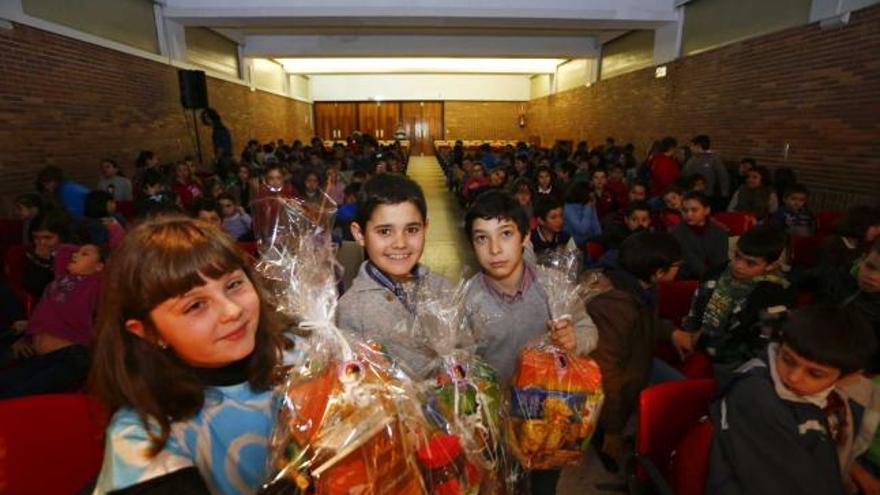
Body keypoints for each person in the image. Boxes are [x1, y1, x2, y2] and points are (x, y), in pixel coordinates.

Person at [89, 217, 291, 494]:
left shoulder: (295, 358)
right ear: (148, 332)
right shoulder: (145, 435)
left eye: (233, 285)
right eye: (195, 305)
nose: (232, 311)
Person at [461, 190, 597, 495]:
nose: (495, 249)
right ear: (472, 245)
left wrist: (575, 339)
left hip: (552, 416)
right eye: (482, 238)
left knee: (543, 486)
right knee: (500, 485)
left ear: (525, 237)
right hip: (495, 425)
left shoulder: (553, 284)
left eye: (506, 234)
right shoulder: (465, 301)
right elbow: (464, 366)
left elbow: (589, 329)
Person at [707, 305, 875, 495]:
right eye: (787, 359)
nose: (793, 378)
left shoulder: (839, 399)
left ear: (847, 378)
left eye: (815, 373)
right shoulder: (757, 397)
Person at [588, 232, 691, 471]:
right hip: (619, 377)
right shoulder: (616, 304)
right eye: (677, 267)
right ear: (658, 272)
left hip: (638, 359)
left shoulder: (638, 285)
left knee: (682, 390)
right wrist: (613, 429)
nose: (680, 271)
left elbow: (645, 320)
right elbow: (606, 373)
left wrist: (671, 333)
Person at [337, 173, 451, 379]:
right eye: (385, 232)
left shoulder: (445, 289)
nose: (400, 243)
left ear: (426, 228)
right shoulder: (351, 309)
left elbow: (465, 356)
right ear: (359, 234)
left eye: (412, 229)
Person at [681, 225, 794, 384]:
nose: (738, 265)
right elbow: (696, 309)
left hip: (736, 363)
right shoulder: (716, 273)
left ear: (770, 266)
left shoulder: (776, 295)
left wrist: (706, 344)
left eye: (750, 263)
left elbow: (761, 345)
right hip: (696, 345)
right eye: (737, 256)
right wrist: (690, 333)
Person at [0, 243, 106, 398]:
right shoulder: (60, 278)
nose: (74, 255)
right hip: (37, 355)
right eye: (77, 252)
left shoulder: (97, 285)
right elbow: (63, 249)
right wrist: (27, 337)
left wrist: (110, 230)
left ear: (99, 267)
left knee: (13, 397)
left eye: (84, 254)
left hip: (70, 357)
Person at [671, 192, 729, 280]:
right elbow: (691, 262)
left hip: (715, 277)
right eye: (685, 210)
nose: (689, 214)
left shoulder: (720, 232)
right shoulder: (676, 233)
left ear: (706, 210)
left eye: (694, 210)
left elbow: (721, 262)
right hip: (687, 279)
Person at [683, 135, 729, 209]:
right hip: (691, 194)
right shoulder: (691, 160)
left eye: (692, 146)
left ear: (698, 146)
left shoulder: (714, 159)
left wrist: (724, 194)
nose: (690, 148)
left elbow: (723, 177)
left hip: (707, 195)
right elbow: (685, 175)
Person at [562, 180, 601, 246]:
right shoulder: (568, 208)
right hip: (575, 243)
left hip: (589, 241)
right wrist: (588, 208)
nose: (593, 194)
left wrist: (599, 239)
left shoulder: (588, 203)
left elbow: (596, 227)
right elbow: (582, 230)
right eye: (590, 192)